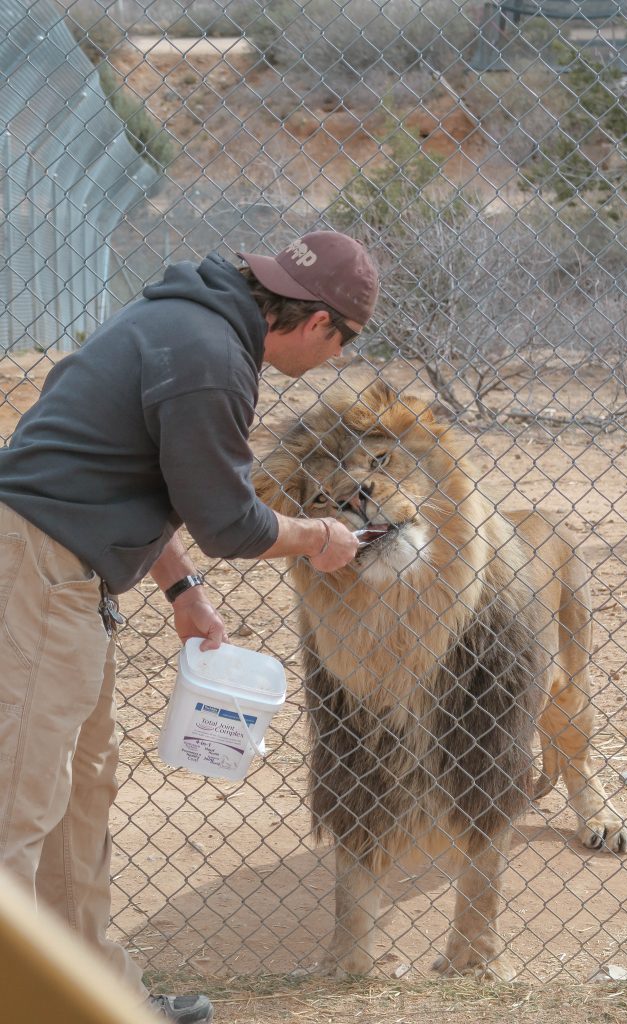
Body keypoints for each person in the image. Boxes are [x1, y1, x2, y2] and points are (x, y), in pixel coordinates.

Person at [0, 230, 378, 1023]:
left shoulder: (189, 322)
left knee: (80, 796)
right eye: (342, 346)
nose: (332, 360)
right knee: (17, 807)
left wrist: (181, 591)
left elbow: (135, 471)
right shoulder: (211, 357)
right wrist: (317, 538)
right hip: (35, 575)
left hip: (66, 575)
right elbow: (231, 522)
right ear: (318, 325)